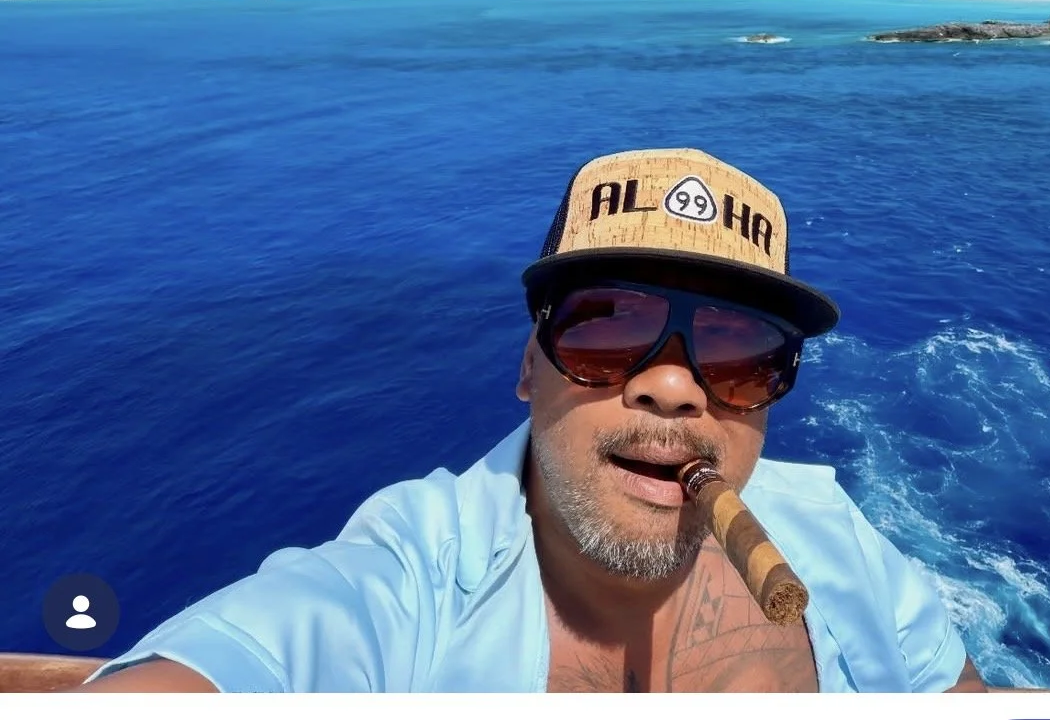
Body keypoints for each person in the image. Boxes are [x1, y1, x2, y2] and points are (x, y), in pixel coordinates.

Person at [81, 147, 989, 693]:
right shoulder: (412, 583)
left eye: (737, 349)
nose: (673, 387)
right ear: (528, 365)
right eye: (609, 325)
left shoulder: (838, 537)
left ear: (777, 386)